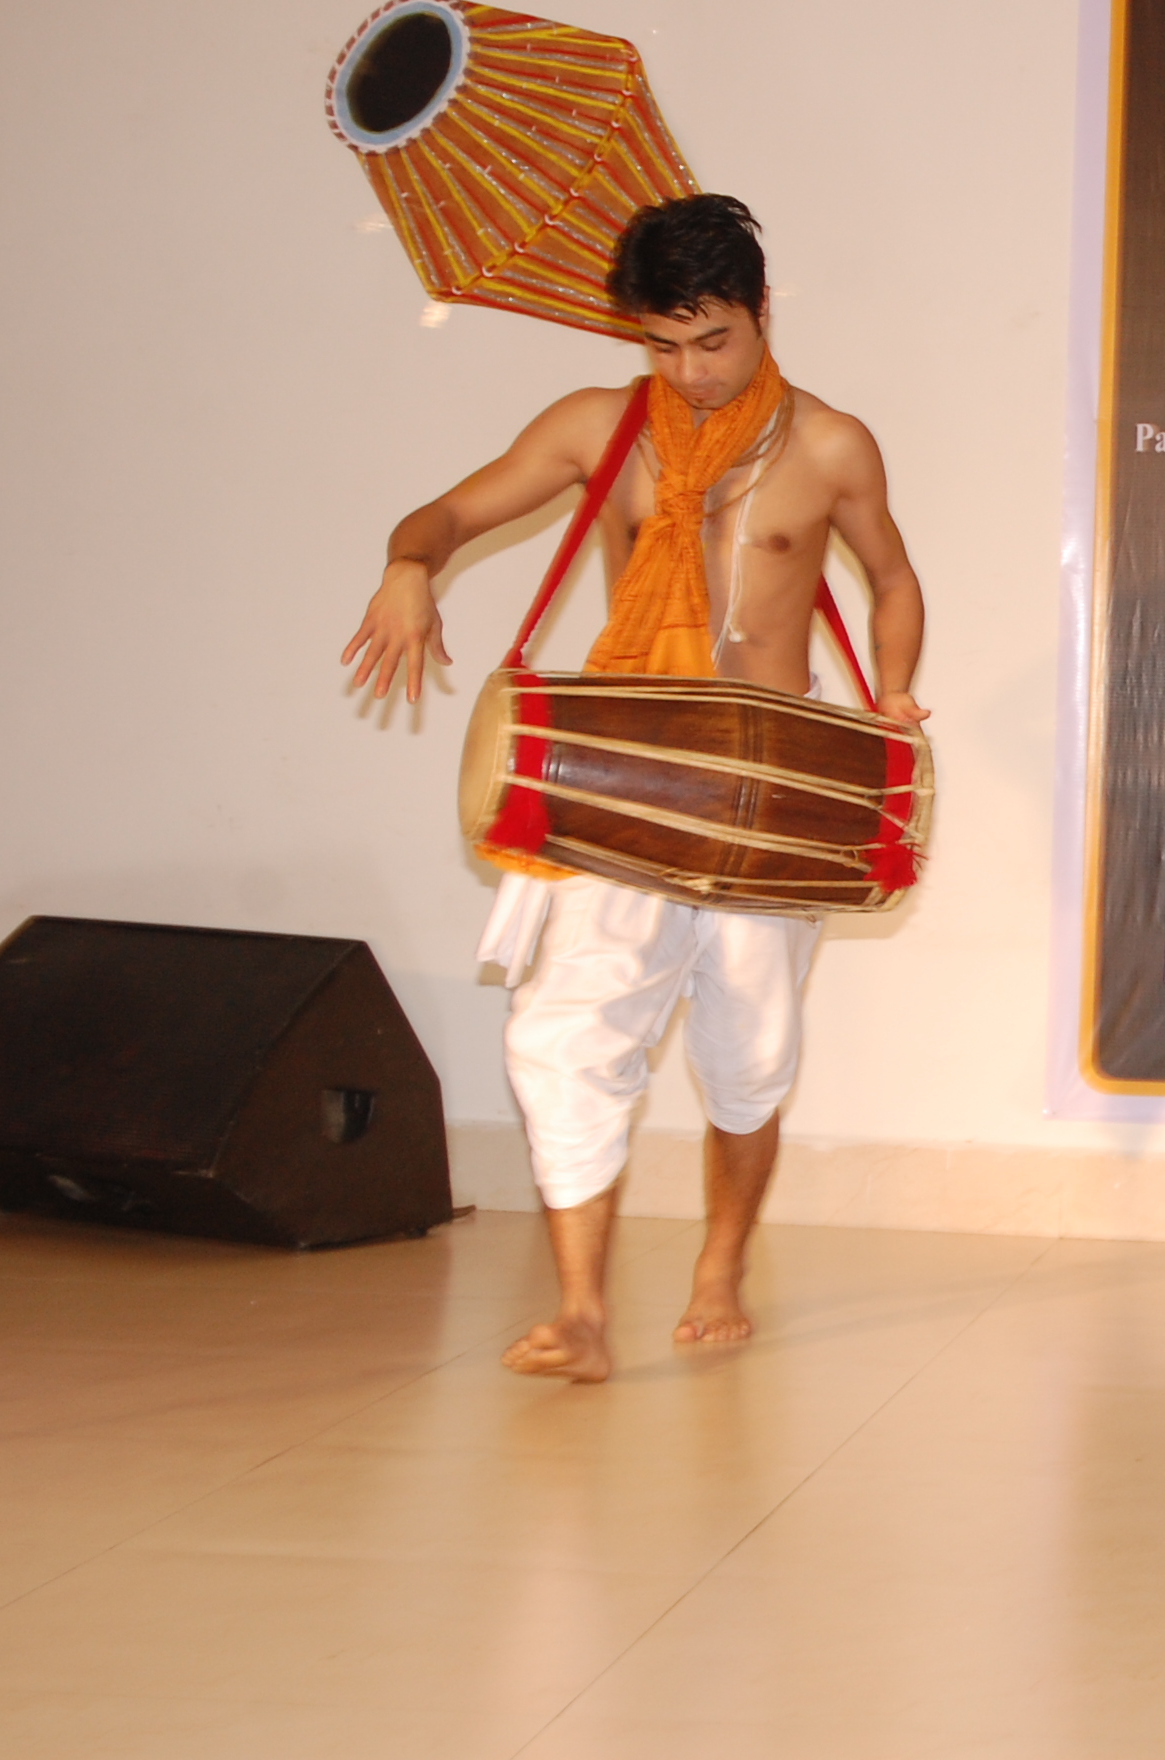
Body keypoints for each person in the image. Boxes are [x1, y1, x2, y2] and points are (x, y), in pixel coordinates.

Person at [342, 196, 927, 1383]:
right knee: (562, 1031)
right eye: (663, 344)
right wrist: (408, 566)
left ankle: (720, 1267)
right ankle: (580, 1311)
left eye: (712, 340)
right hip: (629, 770)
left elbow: (891, 577)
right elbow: (448, 512)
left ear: (760, 315)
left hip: (768, 775)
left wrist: (896, 692)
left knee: (750, 1048)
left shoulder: (829, 445)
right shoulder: (598, 429)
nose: (689, 371)